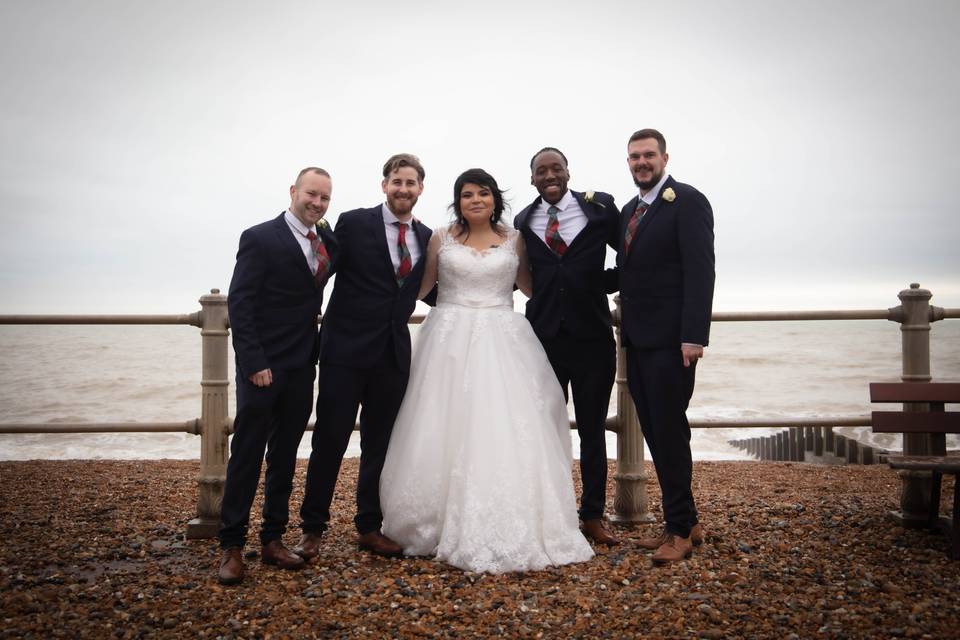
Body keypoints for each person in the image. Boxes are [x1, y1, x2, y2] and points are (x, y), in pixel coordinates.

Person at [379, 168, 595, 574]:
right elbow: (421, 287)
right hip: (448, 338)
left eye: (483, 193)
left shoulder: (515, 238)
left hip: (503, 337)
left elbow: (534, 287)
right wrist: (384, 317)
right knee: (439, 422)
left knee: (505, 423)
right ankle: (431, 520)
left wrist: (577, 310)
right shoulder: (441, 238)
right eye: (466, 194)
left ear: (495, 199)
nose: (475, 200)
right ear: (457, 201)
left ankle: (511, 515)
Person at [296, 154, 436, 560]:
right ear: (384, 185)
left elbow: (426, 290)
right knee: (330, 441)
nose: (403, 189)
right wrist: (302, 315)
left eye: (411, 183)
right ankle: (312, 528)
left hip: (392, 355)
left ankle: (369, 526)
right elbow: (322, 271)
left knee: (382, 445)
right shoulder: (354, 222)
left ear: (420, 189)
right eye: (396, 182)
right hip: (345, 351)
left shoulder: (427, 237)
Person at [218, 167, 337, 585]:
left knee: (285, 457)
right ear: (293, 191)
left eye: (324, 198)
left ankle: (272, 539)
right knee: (247, 456)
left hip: (302, 365)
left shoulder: (326, 242)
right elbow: (241, 304)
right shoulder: (259, 237)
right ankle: (231, 545)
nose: (317, 203)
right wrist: (253, 363)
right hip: (262, 368)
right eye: (311, 194)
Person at [514, 147, 621, 546]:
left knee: (593, 430)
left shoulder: (599, 211)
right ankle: (553, 513)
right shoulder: (523, 221)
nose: (549, 175)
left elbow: (629, 252)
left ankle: (592, 514)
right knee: (546, 430)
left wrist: (601, 283)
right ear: (532, 179)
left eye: (555, 168)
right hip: (543, 341)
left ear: (568, 172)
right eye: (541, 170)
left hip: (592, 339)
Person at [617, 129, 715, 563]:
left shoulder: (687, 201)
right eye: (635, 156)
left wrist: (693, 335)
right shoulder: (629, 211)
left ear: (664, 157)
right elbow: (628, 272)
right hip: (637, 339)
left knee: (671, 433)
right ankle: (686, 519)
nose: (642, 162)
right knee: (655, 430)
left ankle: (677, 531)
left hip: (673, 343)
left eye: (649, 155)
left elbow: (701, 270)